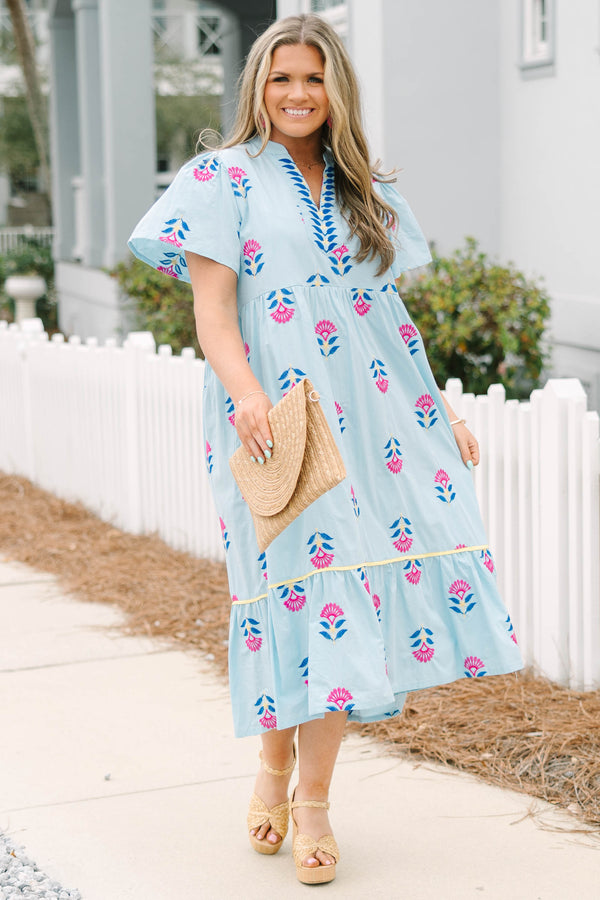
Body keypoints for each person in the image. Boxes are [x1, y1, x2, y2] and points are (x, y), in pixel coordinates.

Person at [128, 13, 523, 886]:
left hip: (375, 422)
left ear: (335, 90)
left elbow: (391, 318)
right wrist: (246, 396)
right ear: (256, 90)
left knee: (345, 604)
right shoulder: (219, 179)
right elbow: (214, 311)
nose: (298, 94)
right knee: (292, 597)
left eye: (313, 79)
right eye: (281, 80)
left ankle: (310, 803)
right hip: (278, 418)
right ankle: (274, 771)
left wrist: (439, 410)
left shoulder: (364, 191)